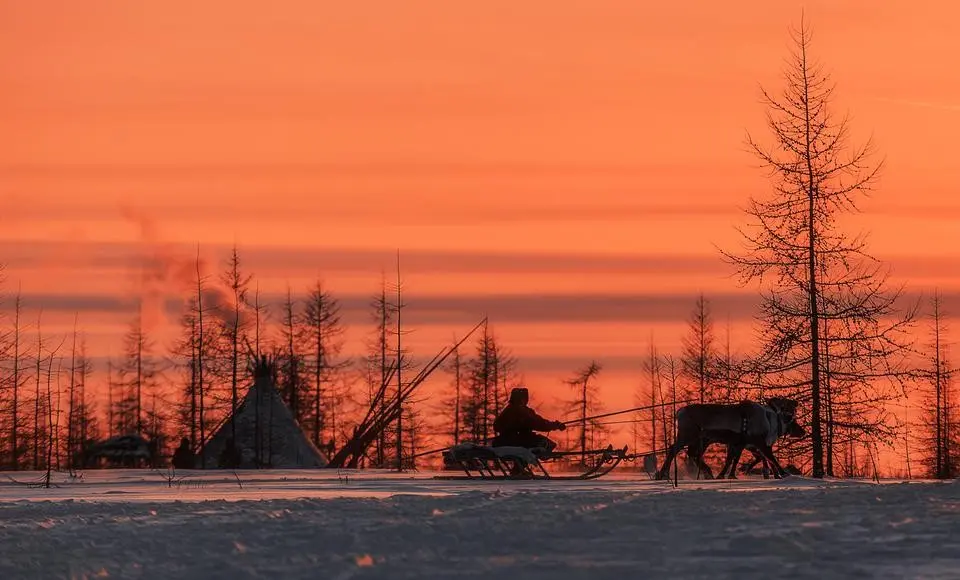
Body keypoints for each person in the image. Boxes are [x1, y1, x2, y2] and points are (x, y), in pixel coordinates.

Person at [492, 387, 566, 453]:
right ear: (523, 399)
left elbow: (496, 426)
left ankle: (527, 458)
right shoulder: (522, 411)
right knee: (547, 444)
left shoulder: (508, 409)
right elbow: (539, 423)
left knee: (535, 442)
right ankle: (534, 455)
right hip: (519, 442)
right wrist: (556, 425)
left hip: (503, 441)